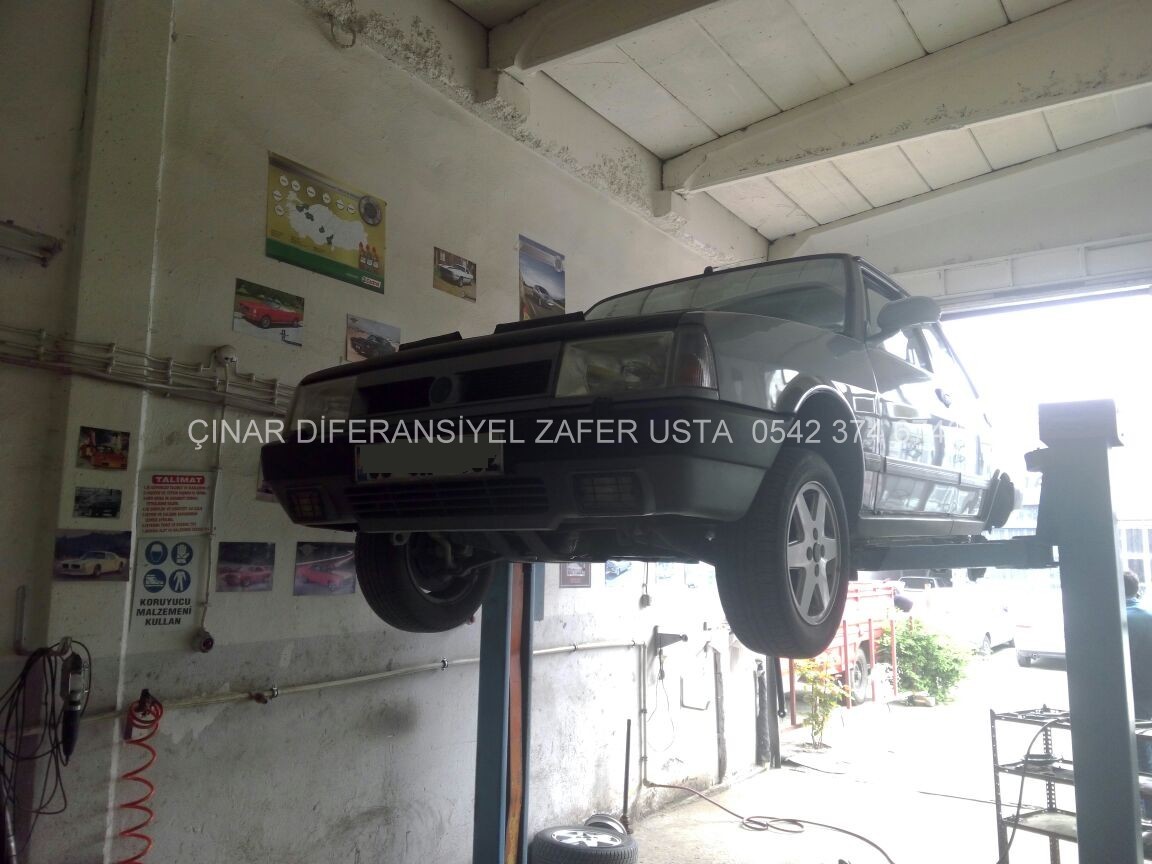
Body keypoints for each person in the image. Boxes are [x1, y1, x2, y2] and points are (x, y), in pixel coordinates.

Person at [1124, 570, 1152, 816]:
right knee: (1146, 759)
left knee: (1136, 761)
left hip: (1128, 701)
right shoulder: (1148, 617)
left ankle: (1142, 819)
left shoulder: (1115, 621)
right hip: (1147, 698)